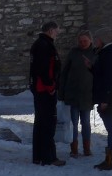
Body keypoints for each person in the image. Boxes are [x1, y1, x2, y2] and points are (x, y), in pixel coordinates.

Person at [29, 21, 64, 166]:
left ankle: (38, 156)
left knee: (41, 122)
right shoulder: (45, 46)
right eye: (56, 31)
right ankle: (48, 156)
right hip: (44, 90)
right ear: (50, 31)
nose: (58, 33)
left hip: (40, 89)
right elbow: (44, 69)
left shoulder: (39, 44)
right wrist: (50, 86)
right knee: (48, 123)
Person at [59, 29, 97, 157]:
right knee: (73, 123)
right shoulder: (73, 53)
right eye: (80, 41)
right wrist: (62, 92)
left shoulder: (95, 53)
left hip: (87, 94)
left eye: (85, 41)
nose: (82, 43)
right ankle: (74, 149)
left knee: (85, 123)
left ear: (90, 40)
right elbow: (64, 73)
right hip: (72, 93)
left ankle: (87, 149)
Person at [92, 26, 112, 171]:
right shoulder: (108, 53)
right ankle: (110, 159)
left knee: (111, 129)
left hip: (108, 97)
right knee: (110, 128)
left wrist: (104, 100)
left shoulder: (108, 54)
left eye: (96, 40)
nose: (94, 42)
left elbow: (108, 79)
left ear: (102, 40)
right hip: (108, 96)